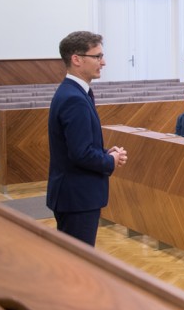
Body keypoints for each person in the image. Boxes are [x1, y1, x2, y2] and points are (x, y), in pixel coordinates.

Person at [46, 31, 128, 246]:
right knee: (76, 261)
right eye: (97, 56)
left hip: (75, 195)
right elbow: (80, 154)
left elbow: (79, 145)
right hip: (77, 197)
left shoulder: (75, 92)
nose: (103, 62)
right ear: (77, 59)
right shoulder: (73, 98)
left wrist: (106, 152)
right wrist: (110, 160)